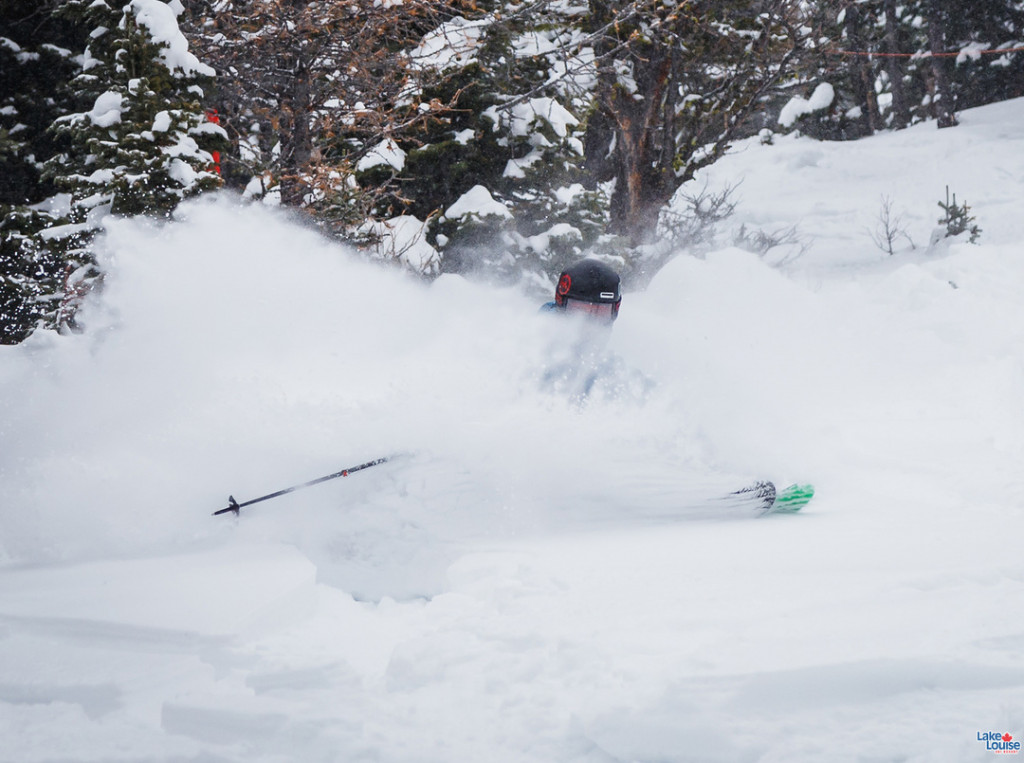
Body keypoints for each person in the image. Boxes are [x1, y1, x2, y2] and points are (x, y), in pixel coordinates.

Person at [542, 258, 622, 322]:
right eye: (579, 310)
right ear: (560, 303)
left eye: (598, 312)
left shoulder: (623, 337)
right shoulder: (542, 333)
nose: (589, 323)